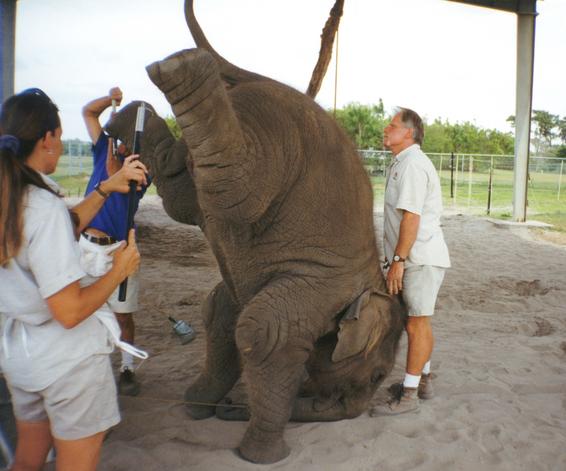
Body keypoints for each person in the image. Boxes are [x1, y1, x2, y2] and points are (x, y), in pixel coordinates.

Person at [0, 88, 148, 470]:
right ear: (47, 139)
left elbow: (64, 223)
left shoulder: (12, 197)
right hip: (67, 365)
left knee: (28, 458)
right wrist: (119, 270)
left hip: (22, 356)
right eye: (61, 137)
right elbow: (68, 311)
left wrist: (103, 189)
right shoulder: (43, 207)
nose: (62, 146)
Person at [371, 107, 450, 416]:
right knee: (417, 321)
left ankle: (409, 397)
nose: (385, 129)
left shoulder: (413, 165)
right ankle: (423, 380)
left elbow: (411, 217)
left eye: (391, 126)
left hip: (419, 258)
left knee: (417, 324)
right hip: (417, 257)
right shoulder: (403, 162)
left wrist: (398, 260)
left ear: (408, 133)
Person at [80, 87, 149, 396]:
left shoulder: (138, 171)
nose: (121, 144)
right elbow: (88, 112)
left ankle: (127, 369)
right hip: (86, 246)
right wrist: (112, 101)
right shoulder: (103, 148)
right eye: (119, 139)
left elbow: (114, 177)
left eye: (126, 141)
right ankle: (90, 369)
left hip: (118, 249)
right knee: (83, 309)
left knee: (123, 314)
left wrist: (115, 153)